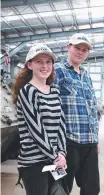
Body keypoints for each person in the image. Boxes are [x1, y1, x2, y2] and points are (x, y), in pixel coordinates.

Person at [12, 44, 68, 195]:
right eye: (39, 62)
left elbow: (61, 125)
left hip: (55, 161)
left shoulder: (55, 90)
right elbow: (36, 129)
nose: (45, 66)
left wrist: (62, 153)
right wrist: (55, 156)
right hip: (34, 163)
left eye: (48, 62)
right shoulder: (27, 91)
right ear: (29, 64)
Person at [53, 33, 101, 195]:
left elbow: (92, 109)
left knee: (92, 189)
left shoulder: (86, 75)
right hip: (68, 143)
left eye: (85, 50)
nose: (81, 52)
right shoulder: (57, 71)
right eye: (77, 48)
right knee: (60, 186)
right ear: (68, 47)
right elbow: (49, 108)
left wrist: (96, 139)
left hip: (89, 143)